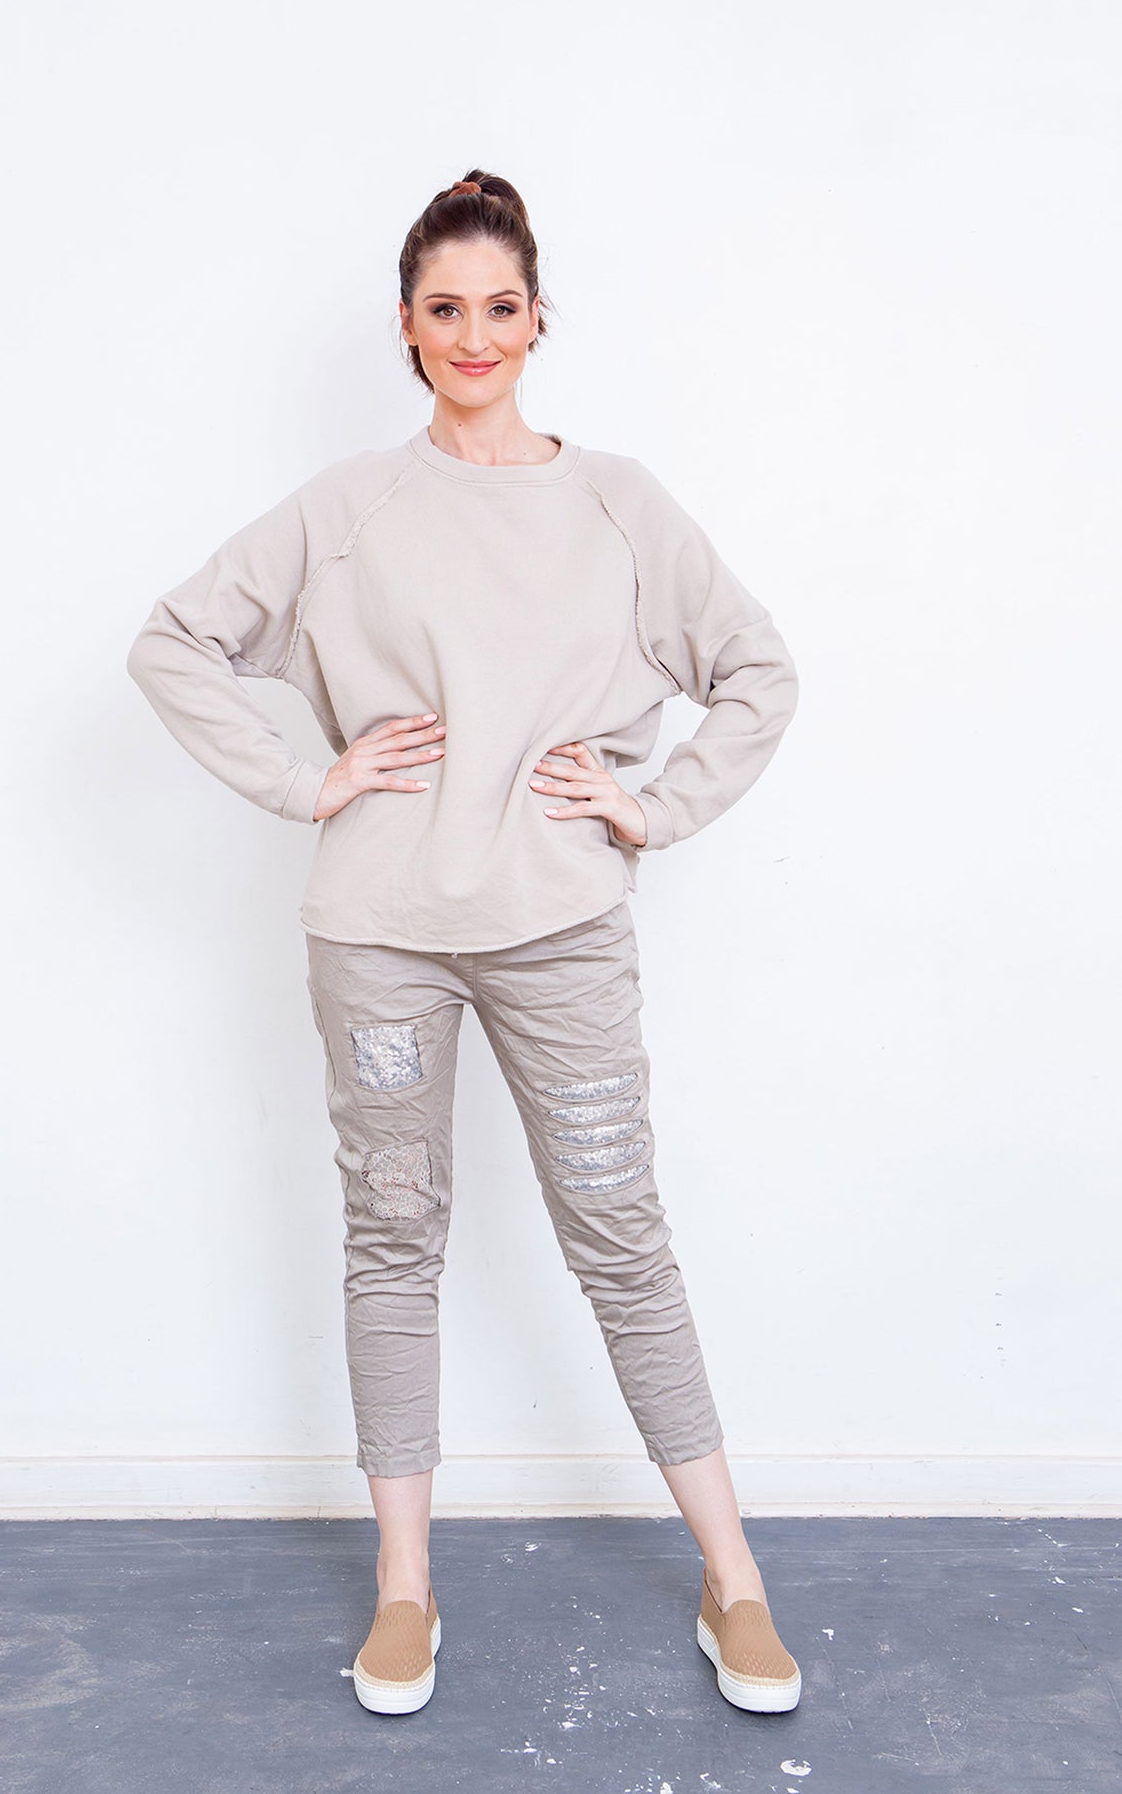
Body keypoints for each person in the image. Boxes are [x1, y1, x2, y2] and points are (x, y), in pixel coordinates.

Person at [125, 169, 803, 1719]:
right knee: (393, 1239)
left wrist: (650, 809)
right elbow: (172, 640)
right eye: (446, 309)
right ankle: (404, 1591)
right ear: (407, 328)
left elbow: (757, 668)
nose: (474, 334)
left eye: (501, 307)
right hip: (380, 932)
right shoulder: (348, 506)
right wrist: (307, 781)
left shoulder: (618, 501)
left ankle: (735, 1579)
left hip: (560, 929)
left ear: (539, 319)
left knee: (620, 1236)